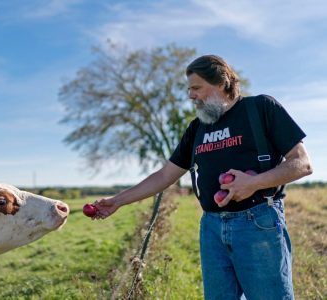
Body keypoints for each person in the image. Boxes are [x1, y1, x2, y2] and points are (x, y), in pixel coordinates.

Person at [93, 55, 313, 300]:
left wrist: (253, 183)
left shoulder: (260, 108)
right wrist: (118, 201)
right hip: (211, 227)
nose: (191, 96)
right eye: (189, 89)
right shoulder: (197, 128)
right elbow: (165, 175)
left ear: (221, 82)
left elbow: (302, 164)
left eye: (196, 88)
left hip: (258, 224)